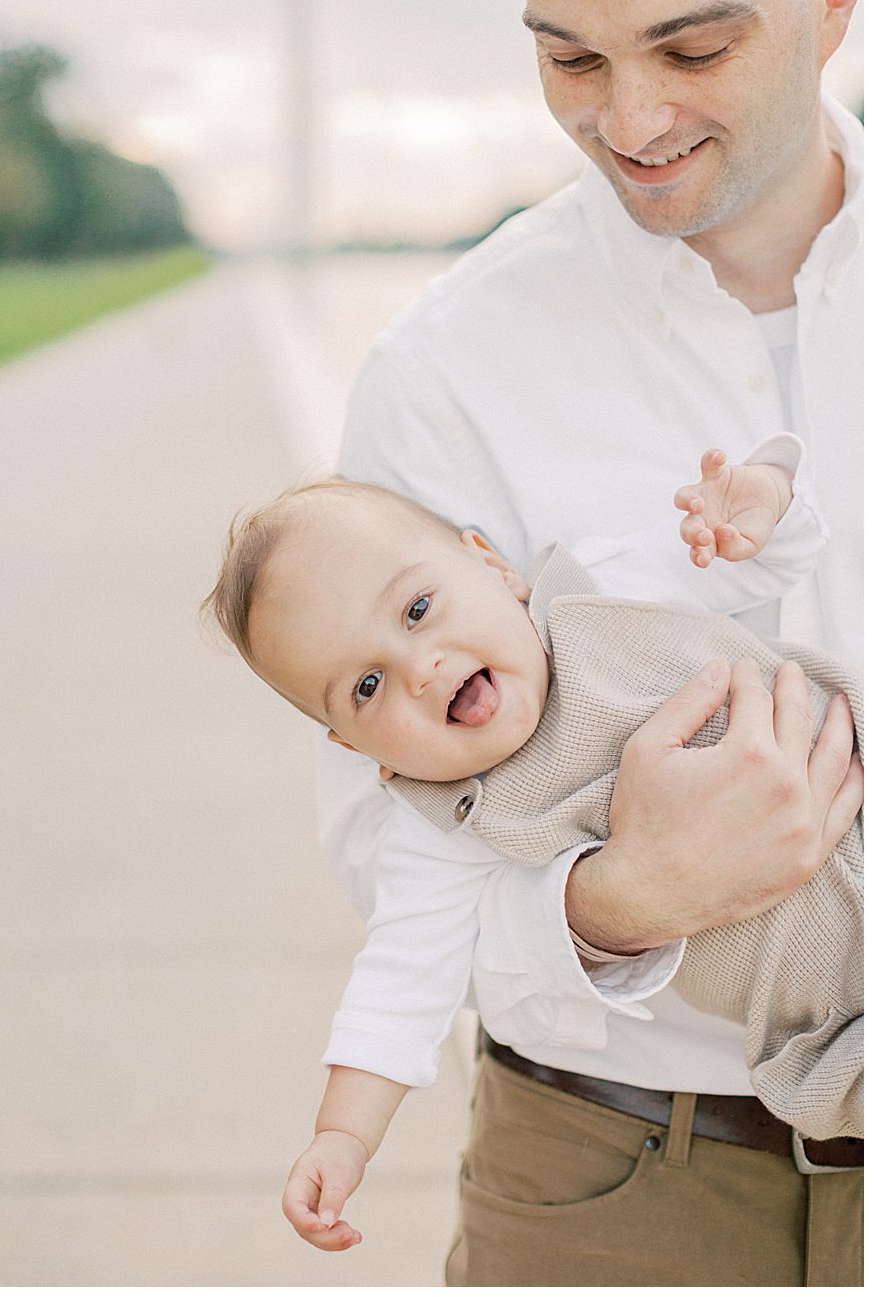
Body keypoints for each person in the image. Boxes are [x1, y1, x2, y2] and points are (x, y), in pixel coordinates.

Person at [316, 0, 862, 1288]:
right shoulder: (443, 369)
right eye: (569, 56)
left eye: (692, 50)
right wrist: (621, 898)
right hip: (615, 1177)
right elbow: (384, 843)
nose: (628, 119)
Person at [203, 457, 861, 1254]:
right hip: (837, 1013)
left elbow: (770, 560)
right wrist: (343, 1136)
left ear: (493, 566)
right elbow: (399, 986)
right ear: (354, 746)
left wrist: (761, 507)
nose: (420, 668)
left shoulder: (602, 588)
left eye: (417, 609)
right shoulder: (446, 827)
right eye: (367, 687)